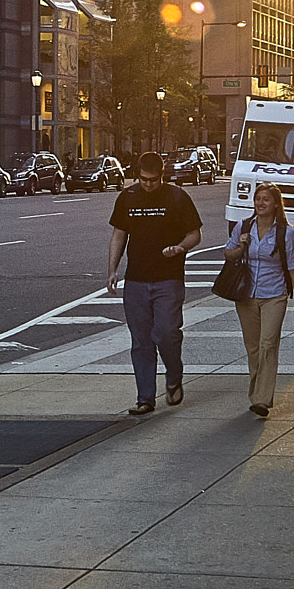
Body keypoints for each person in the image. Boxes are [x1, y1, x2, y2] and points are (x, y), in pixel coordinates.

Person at [105, 151, 202, 415]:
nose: (148, 184)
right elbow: (119, 234)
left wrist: (180, 248)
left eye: (153, 180)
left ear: (162, 175)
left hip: (168, 279)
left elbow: (195, 233)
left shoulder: (177, 197)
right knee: (141, 342)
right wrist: (112, 270)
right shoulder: (128, 197)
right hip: (136, 279)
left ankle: (173, 373)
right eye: (143, 179)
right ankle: (145, 398)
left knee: (166, 332)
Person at [220, 179, 294, 417]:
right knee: (253, 347)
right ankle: (256, 392)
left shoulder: (285, 233)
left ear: (276, 204)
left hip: (274, 295)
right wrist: (241, 247)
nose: (260, 203)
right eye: (258, 199)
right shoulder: (243, 226)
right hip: (246, 295)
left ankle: (262, 399)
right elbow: (229, 253)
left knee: (268, 344)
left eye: (265, 199)